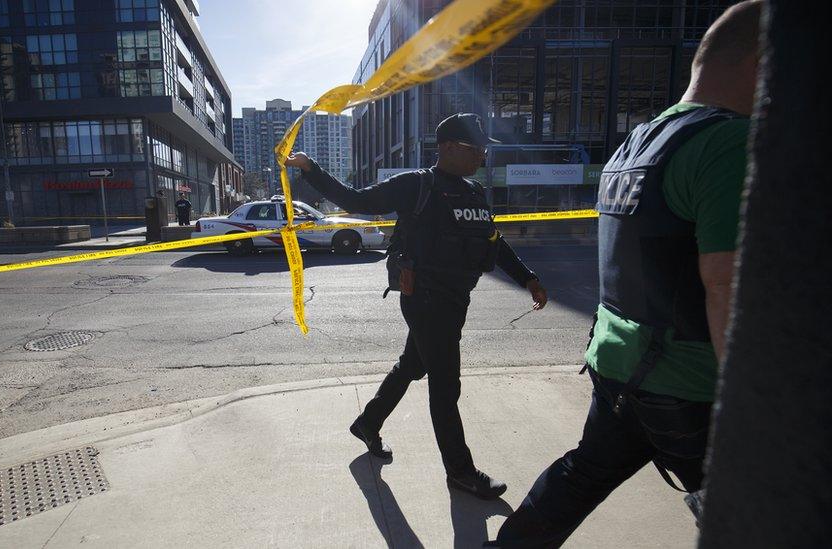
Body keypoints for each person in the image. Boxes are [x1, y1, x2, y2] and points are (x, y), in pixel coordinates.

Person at [488, 1, 762, 546]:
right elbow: (726, 284)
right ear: (762, 64)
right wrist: (754, 405)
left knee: (581, 475)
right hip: (690, 384)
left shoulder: (635, 144)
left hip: (618, 364)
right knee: (761, 512)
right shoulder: (730, 143)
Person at [285, 113, 548, 500]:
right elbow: (358, 200)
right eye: (475, 149)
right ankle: (460, 472)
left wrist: (527, 277)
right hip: (425, 298)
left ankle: (368, 422)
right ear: (447, 149)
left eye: (483, 149)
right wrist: (312, 169)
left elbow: (493, 239)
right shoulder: (416, 185)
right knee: (446, 387)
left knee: (412, 364)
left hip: (456, 298)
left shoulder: (474, 193)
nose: (482, 156)